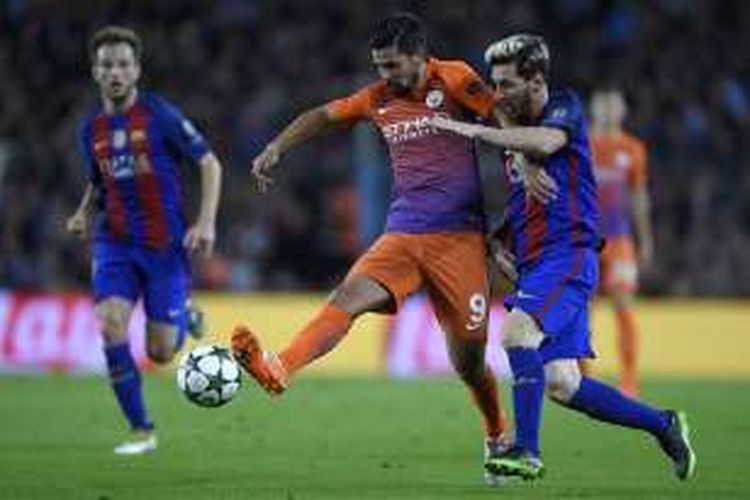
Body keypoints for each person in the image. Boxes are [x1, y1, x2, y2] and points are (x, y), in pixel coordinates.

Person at [230, 13, 511, 484]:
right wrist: (276, 148)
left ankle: (497, 433)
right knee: (347, 298)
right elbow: (320, 117)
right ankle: (278, 369)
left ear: (422, 57)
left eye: (393, 66)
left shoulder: (458, 77)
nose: (385, 78)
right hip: (402, 233)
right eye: (379, 67)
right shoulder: (378, 99)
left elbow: (503, 127)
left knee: (469, 363)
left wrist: (521, 184)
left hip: (459, 241)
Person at [429, 34, 695, 481]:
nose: (498, 93)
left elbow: (549, 142)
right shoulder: (515, 144)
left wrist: (479, 132)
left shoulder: (564, 107)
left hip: (568, 253)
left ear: (536, 82)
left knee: (516, 336)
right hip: (538, 262)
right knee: (562, 383)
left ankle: (527, 452)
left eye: (507, 83)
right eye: (494, 83)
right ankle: (664, 425)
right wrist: (497, 243)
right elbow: (523, 204)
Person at [66, 26, 223, 455]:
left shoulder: (160, 116)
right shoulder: (91, 130)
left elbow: (209, 164)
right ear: (95, 71)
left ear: (136, 70)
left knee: (159, 353)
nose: (114, 72)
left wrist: (205, 223)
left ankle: (184, 315)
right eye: (106, 65)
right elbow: (98, 181)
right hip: (113, 243)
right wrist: (83, 212)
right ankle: (141, 429)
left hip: (164, 249)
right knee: (110, 322)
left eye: (122, 64)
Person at [588, 88, 654, 397]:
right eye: (603, 106)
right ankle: (581, 378)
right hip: (584, 240)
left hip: (620, 239)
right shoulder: (580, 145)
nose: (608, 111)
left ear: (623, 110)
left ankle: (629, 379)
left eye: (613, 105)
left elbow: (639, 196)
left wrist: (646, 239)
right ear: (593, 109)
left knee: (623, 307)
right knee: (580, 309)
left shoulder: (633, 148)